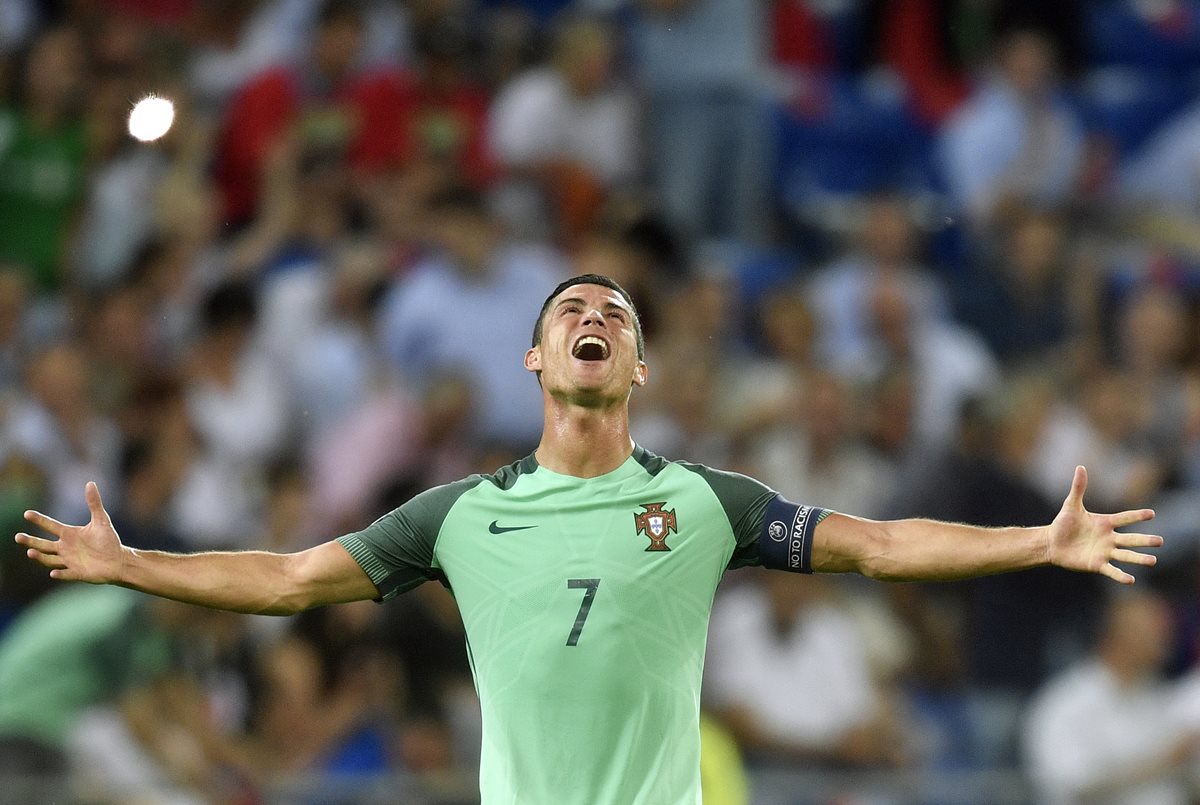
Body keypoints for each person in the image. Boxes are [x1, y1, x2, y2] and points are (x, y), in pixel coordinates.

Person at [16, 274, 1164, 804]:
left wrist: (1033, 542)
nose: (595, 316)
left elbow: (875, 544)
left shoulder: (709, 501)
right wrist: (131, 564)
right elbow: (287, 577)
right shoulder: (458, 512)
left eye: (617, 311)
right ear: (534, 359)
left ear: (640, 366)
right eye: (571, 308)